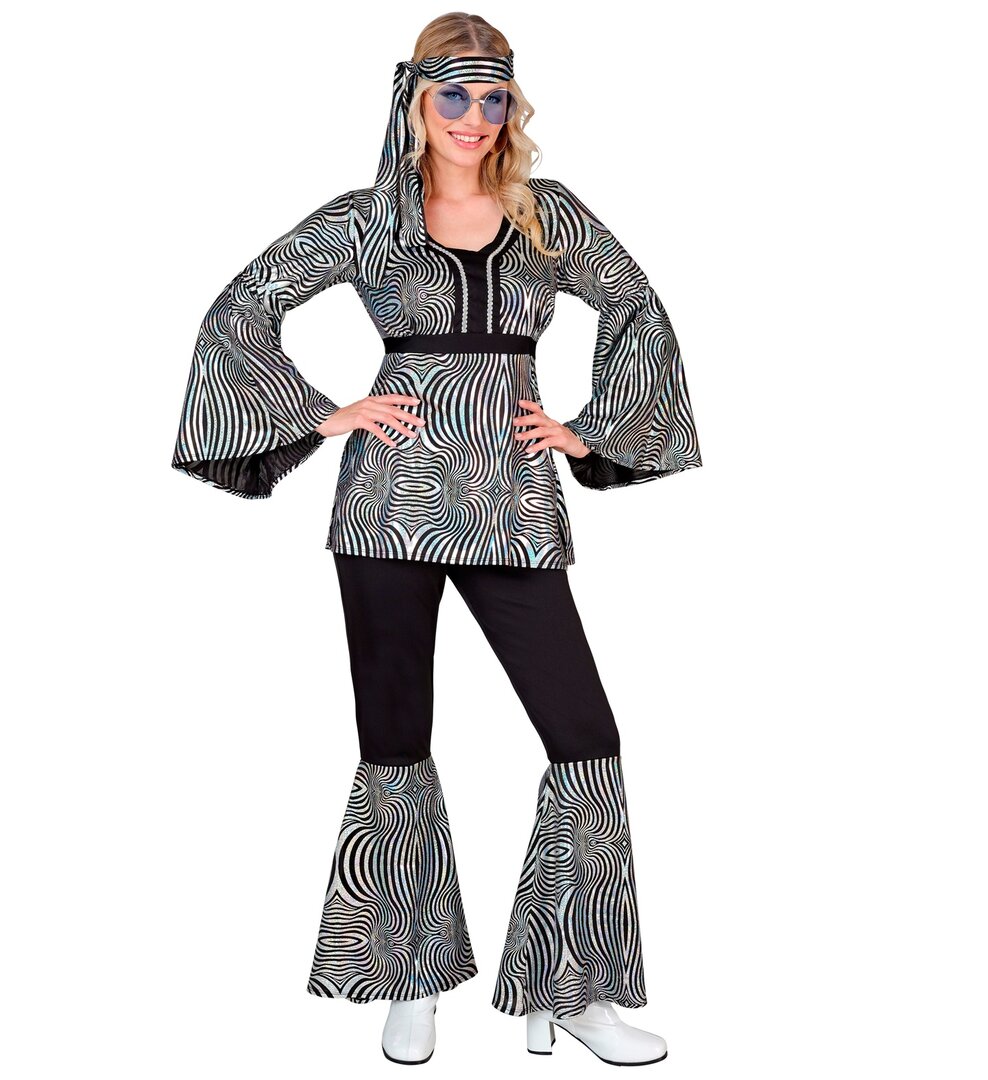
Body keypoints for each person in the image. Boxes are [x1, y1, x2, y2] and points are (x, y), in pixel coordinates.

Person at [170, 12, 702, 1067]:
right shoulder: (370, 218)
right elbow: (241, 308)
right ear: (414, 100)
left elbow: (637, 308)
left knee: (585, 735)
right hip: (387, 506)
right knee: (395, 736)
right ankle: (410, 979)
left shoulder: (548, 214)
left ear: (511, 106)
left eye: (492, 96)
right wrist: (327, 414)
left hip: (513, 501)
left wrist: (588, 431)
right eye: (452, 94)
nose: (473, 116)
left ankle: (574, 987)